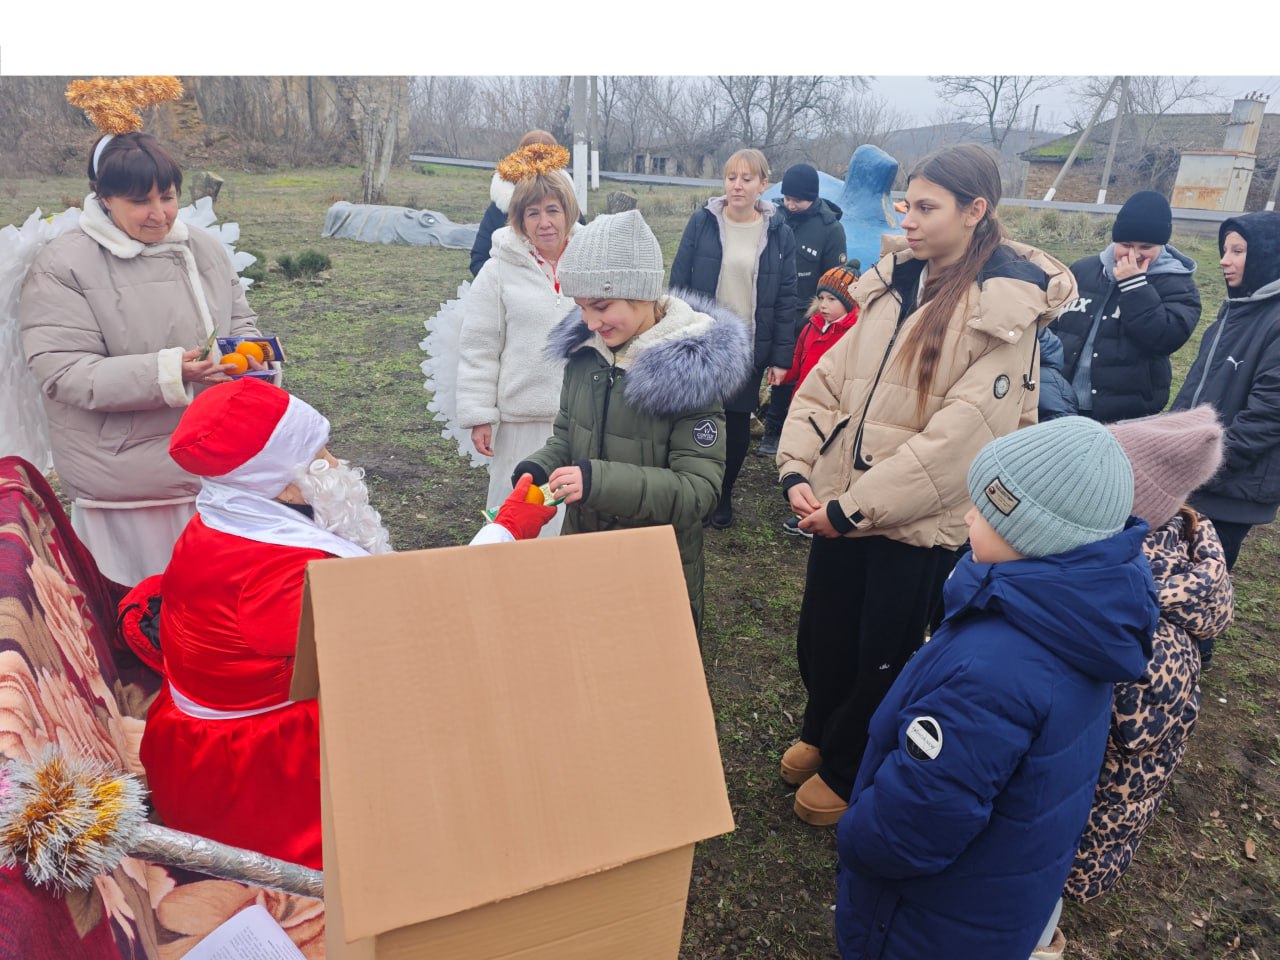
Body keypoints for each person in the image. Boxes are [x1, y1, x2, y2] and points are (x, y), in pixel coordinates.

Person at [775, 144, 1077, 826]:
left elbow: (957, 443)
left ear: (976, 212)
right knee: (824, 633)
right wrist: (797, 468)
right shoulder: (892, 282)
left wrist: (854, 512)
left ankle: (853, 764)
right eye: (906, 203)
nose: (907, 218)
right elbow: (830, 379)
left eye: (927, 207)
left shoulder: (1001, 312)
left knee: (881, 651)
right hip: (841, 506)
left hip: (912, 527)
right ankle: (821, 729)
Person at [138, 377, 554, 870]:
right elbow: (416, 620)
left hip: (209, 739)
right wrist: (504, 530)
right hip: (254, 771)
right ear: (285, 483)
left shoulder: (226, 518)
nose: (335, 464)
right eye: (321, 454)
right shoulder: (281, 574)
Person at [834, 416, 1159, 960]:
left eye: (983, 509)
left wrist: (860, 841)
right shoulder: (1080, 620)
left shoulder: (993, 671)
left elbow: (918, 819)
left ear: (1031, 535)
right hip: (999, 898)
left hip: (927, 921)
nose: (967, 514)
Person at [18, 130, 266, 586]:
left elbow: (242, 322)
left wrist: (250, 359)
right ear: (105, 198)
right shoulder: (64, 265)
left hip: (212, 458)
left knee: (215, 605)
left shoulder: (203, 248)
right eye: (140, 202)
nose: (160, 215)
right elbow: (64, 372)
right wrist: (171, 373)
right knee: (145, 607)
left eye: (167, 197)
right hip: (127, 473)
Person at [1044, 407, 1233, 957]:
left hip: (1077, 838)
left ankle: (1041, 931)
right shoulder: (1170, 559)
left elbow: (1108, 742)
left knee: (1036, 892)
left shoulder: (1138, 623)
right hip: (1089, 814)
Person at [512, 210, 754, 632]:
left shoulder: (689, 373)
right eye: (581, 307)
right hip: (584, 551)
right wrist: (538, 469)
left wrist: (596, 481)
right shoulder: (586, 354)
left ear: (642, 292)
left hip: (652, 567)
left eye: (602, 306)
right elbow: (569, 436)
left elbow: (698, 491)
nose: (589, 321)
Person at [670, 148, 797, 529]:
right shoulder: (703, 223)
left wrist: (780, 357)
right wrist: (673, 329)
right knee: (693, 417)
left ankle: (722, 496)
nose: (737, 186)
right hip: (703, 339)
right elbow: (678, 280)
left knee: (737, 423)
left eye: (746, 178)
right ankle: (692, 491)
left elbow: (787, 296)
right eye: (731, 177)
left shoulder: (778, 232)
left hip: (748, 344)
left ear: (763, 185)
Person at [456, 146, 580, 532]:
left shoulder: (591, 262)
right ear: (519, 219)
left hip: (582, 417)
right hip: (521, 420)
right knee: (520, 516)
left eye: (552, 210)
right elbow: (479, 345)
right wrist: (479, 414)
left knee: (571, 518)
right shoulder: (497, 270)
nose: (544, 222)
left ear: (568, 212)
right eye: (533, 212)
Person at [1169, 212, 1280, 579]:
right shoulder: (1236, 311)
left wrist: (1207, 465)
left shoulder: (1274, 321)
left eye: (1238, 250)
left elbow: (1268, 417)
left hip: (1230, 488)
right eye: (1224, 249)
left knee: (1200, 591)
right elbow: (1199, 388)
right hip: (1199, 476)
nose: (1224, 259)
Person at [1055, 190, 1200, 423]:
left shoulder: (1178, 284)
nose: (1134, 254)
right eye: (1126, 244)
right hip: (1062, 402)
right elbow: (1054, 326)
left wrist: (1134, 286)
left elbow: (1166, 338)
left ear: (1162, 245)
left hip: (1125, 413)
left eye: (1146, 247)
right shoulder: (1083, 270)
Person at [759, 163, 848, 457]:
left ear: (812, 197)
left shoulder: (829, 229)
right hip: (766, 304)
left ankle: (775, 429)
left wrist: (819, 313)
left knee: (788, 373)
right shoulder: (773, 217)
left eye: (797, 199)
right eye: (787, 198)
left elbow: (834, 279)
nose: (790, 204)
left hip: (802, 314)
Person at [779, 264, 860, 539]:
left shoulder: (855, 333)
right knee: (803, 455)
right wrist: (783, 373)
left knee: (825, 461)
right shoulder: (812, 327)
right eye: (821, 298)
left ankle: (820, 512)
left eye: (832, 300)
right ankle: (803, 509)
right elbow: (798, 356)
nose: (824, 305)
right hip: (804, 401)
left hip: (832, 410)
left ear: (849, 303)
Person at [469, 129, 560, 278]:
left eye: (547, 163)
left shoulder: (567, 209)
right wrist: (513, 286)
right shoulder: (499, 210)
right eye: (534, 161)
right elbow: (479, 261)